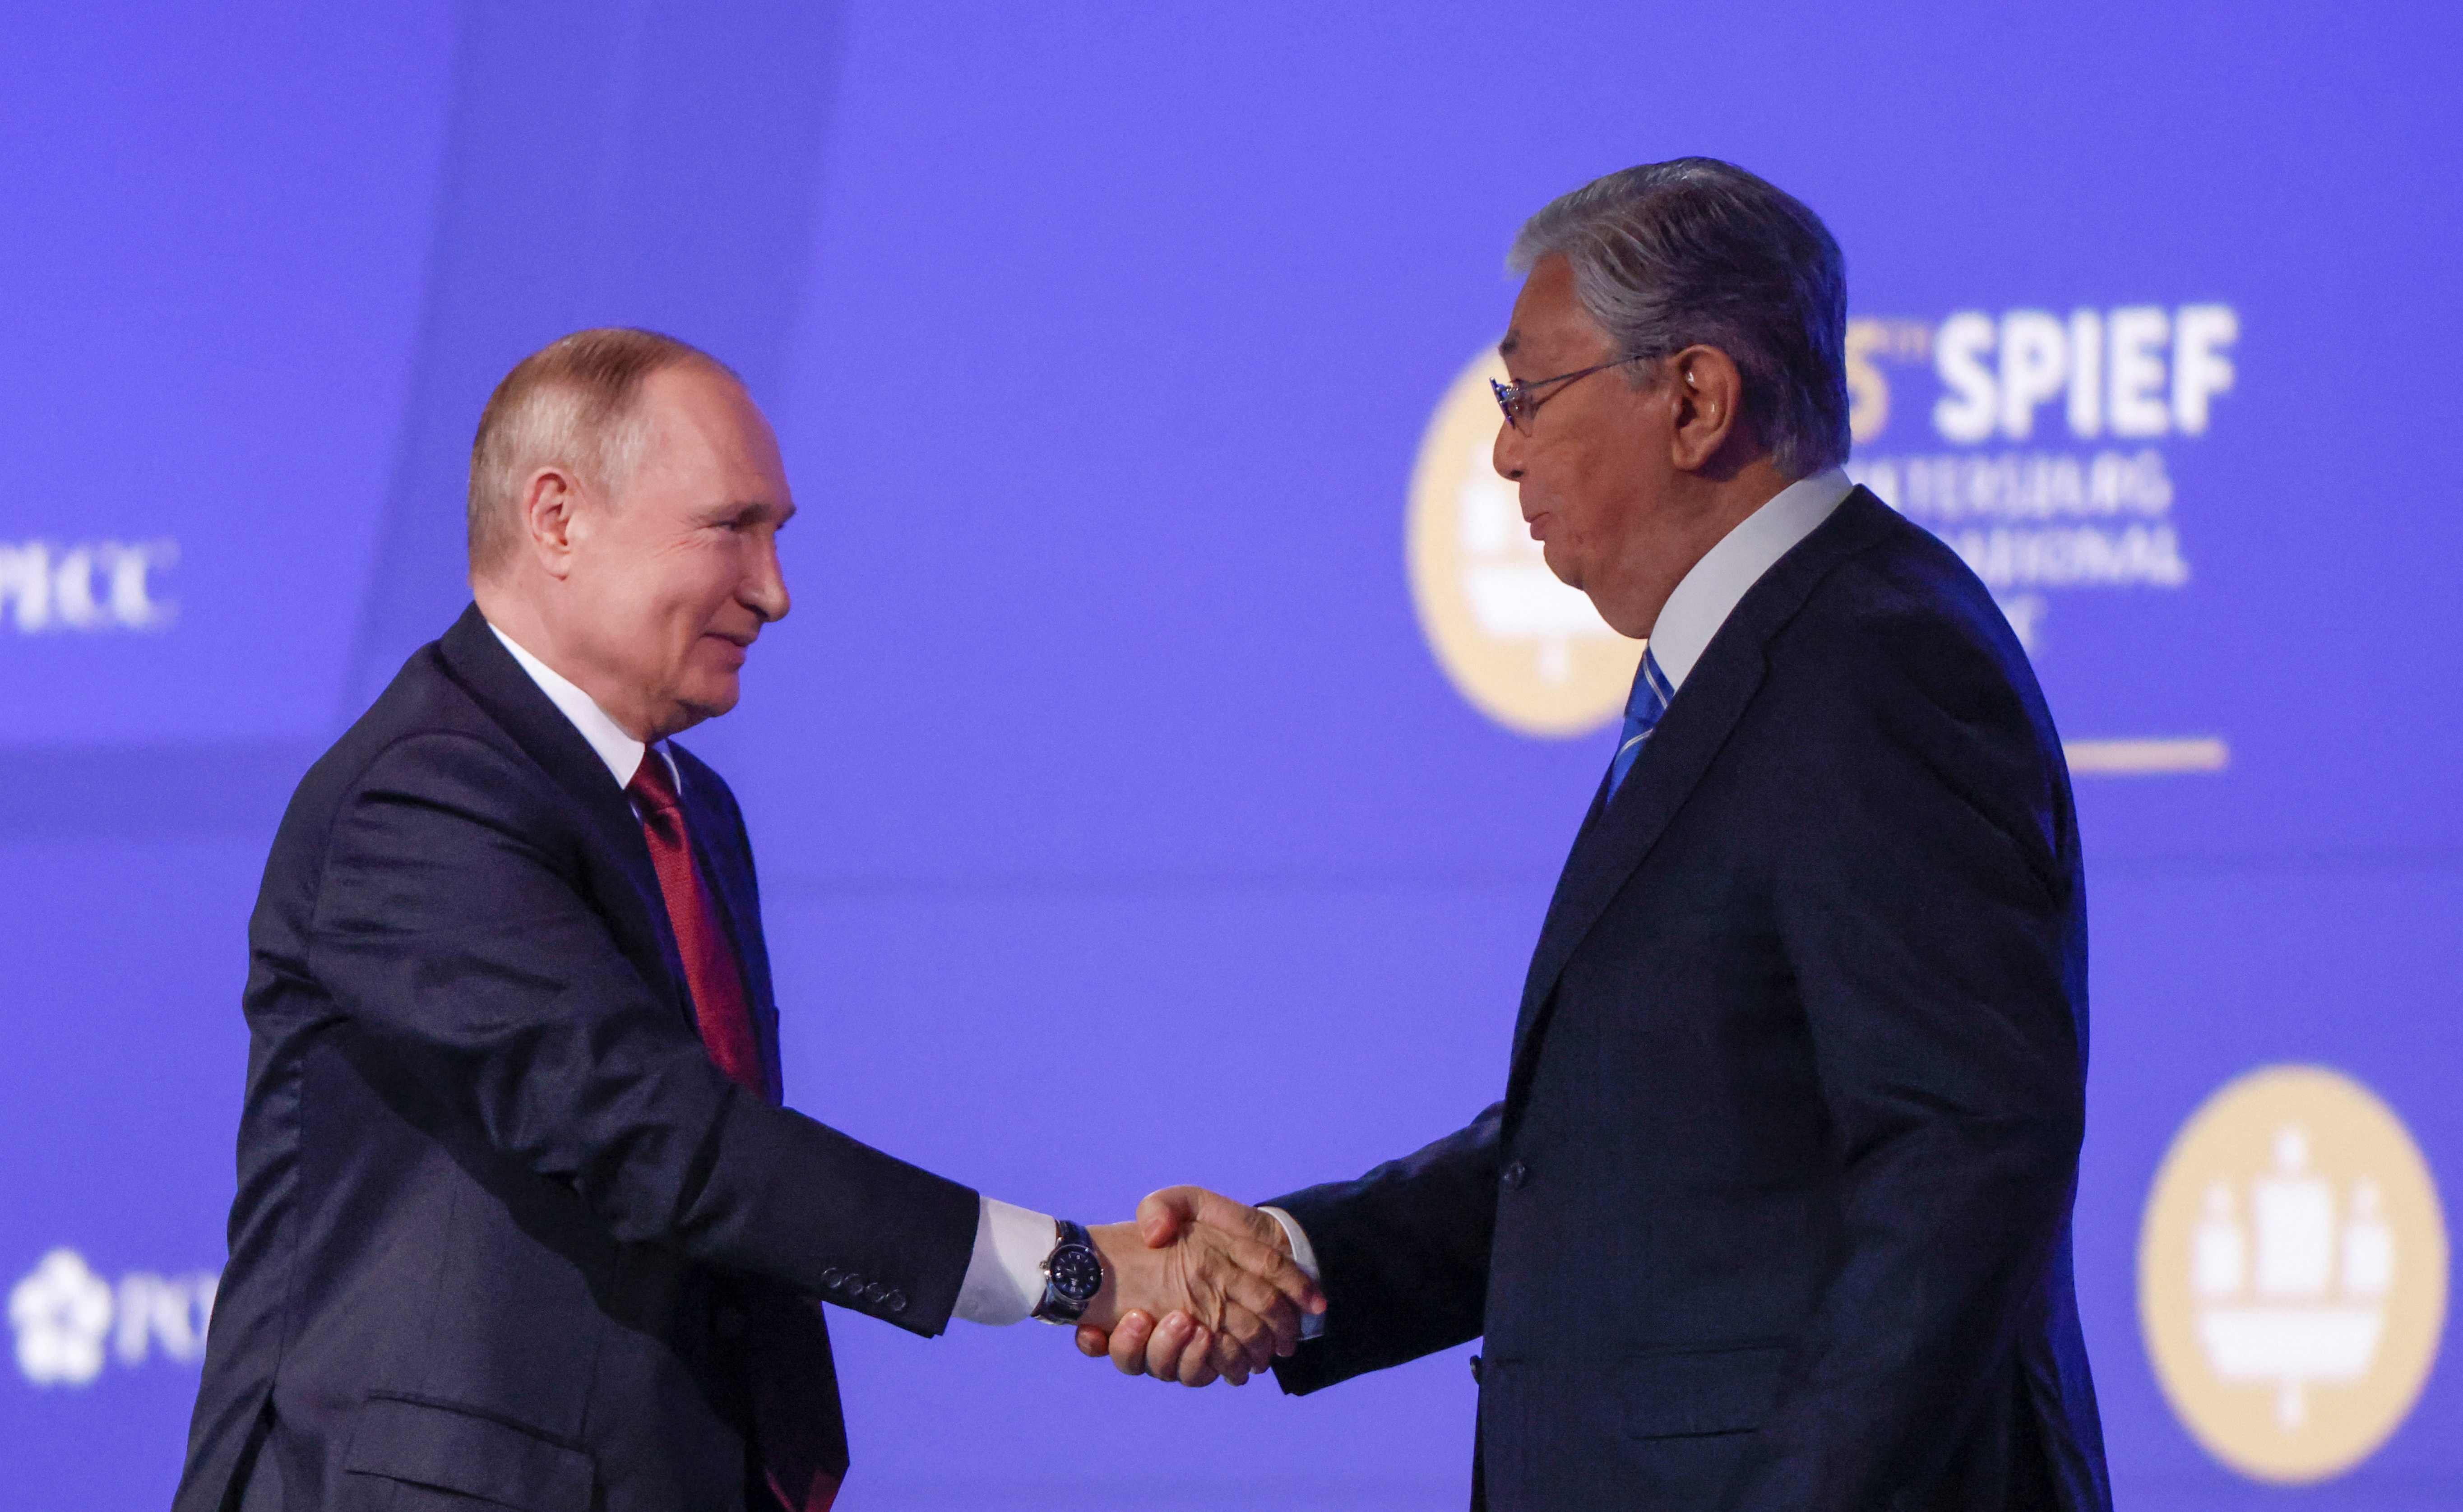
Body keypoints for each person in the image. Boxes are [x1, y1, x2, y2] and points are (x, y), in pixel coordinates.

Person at [1083, 160, 2113, 1511]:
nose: (1503, 448)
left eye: (1526, 396)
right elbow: (1649, 1144)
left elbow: (1963, 1157)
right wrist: (1298, 1253)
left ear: (1691, 398)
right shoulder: (1757, 659)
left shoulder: (1874, 661)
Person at [172, 329, 1319, 1512]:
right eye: (730, 528)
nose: (774, 591)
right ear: (557, 519)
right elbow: (661, 1138)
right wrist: (1080, 1270)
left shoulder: (685, 808)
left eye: (777, 534)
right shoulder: (417, 800)